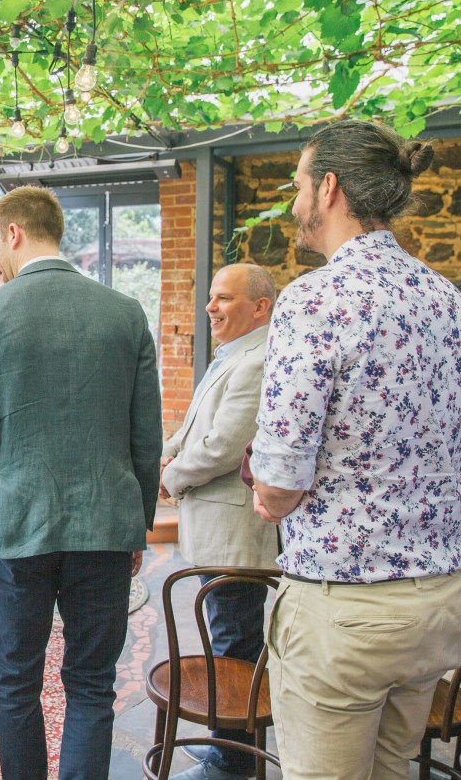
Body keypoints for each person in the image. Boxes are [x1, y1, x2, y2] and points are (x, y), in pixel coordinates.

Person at [249, 120, 461, 780]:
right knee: (394, 769)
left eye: (298, 185)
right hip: (438, 602)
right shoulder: (449, 300)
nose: (295, 202)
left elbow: (280, 479)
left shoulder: (315, 298)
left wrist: (268, 493)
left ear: (328, 188)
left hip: (347, 605)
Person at [0, 186, 162, 780]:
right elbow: (146, 434)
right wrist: (137, 522)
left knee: (16, 681)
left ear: (14, 232)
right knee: (92, 683)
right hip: (105, 524)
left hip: (15, 526)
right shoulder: (125, 313)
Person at [159, 263, 279, 780]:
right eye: (212, 296)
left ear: (260, 306)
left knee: (234, 645)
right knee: (226, 636)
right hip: (216, 529)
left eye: (225, 297)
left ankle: (232, 763)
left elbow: (224, 447)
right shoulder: (232, 355)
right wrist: (163, 456)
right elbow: (193, 431)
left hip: (235, 535)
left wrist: (170, 479)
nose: (211, 306)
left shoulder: (260, 360)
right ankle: (226, 746)